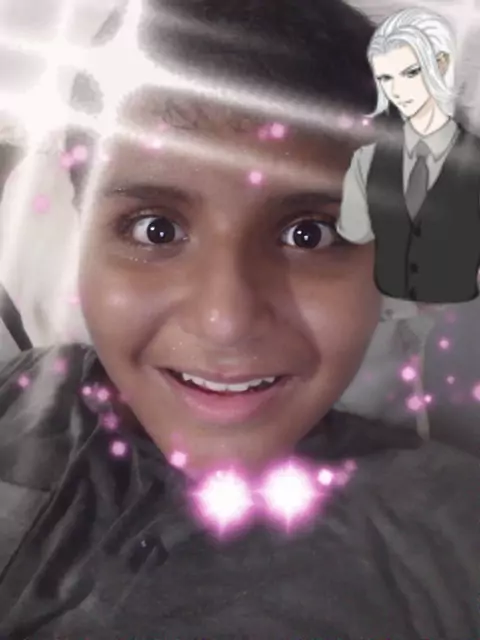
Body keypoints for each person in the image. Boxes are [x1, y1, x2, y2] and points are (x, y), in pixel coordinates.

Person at [0, 0, 479, 637]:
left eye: (310, 234)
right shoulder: (19, 391)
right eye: (155, 229)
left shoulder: (454, 537)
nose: (224, 321)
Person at [337, 7, 480, 304]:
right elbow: (354, 232)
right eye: (386, 78)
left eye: (410, 73)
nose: (399, 90)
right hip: (385, 304)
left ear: (440, 65)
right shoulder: (365, 159)